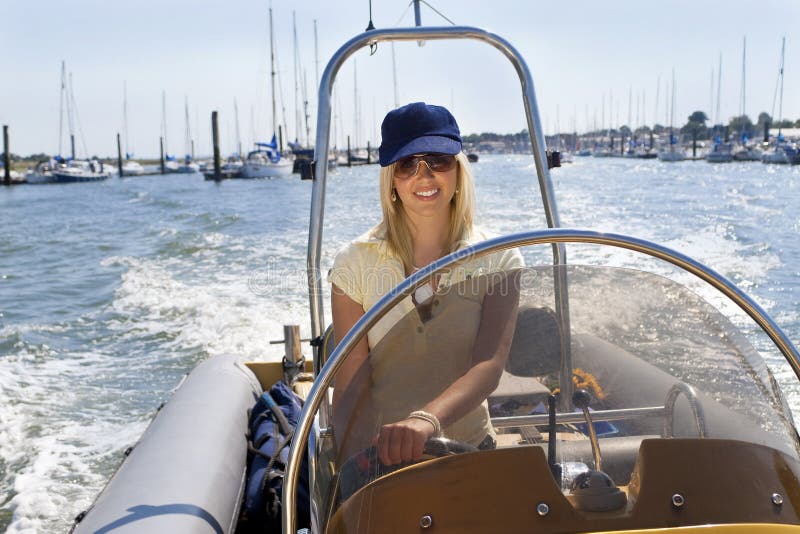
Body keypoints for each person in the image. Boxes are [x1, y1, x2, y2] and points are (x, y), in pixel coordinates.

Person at [328, 102, 523, 467]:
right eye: (407, 164)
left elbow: (488, 367)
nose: (424, 174)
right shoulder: (353, 263)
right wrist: (349, 471)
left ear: (458, 171)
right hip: (380, 460)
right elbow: (353, 383)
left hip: (470, 453)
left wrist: (424, 422)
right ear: (391, 180)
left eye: (438, 159)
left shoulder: (500, 258)